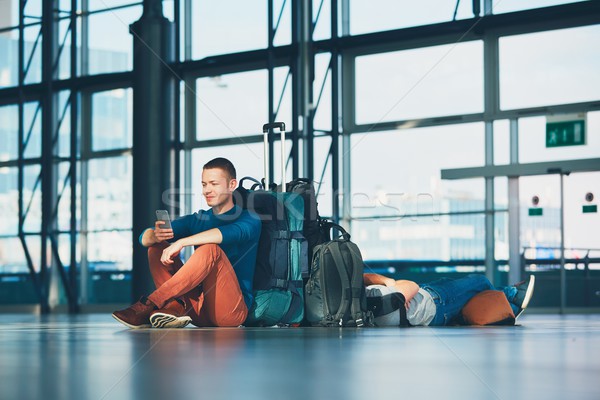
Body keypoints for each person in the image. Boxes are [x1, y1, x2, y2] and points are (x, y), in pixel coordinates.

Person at [112, 157, 262, 329]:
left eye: (214, 184)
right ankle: (175, 306)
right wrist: (155, 235)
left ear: (232, 185)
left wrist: (183, 242)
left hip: (230, 312)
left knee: (211, 250)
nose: (207, 190)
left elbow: (226, 234)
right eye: (204, 184)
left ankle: (152, 303)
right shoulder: (198, 219)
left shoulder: (250, 218)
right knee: (156, 248)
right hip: (197, 310)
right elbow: (143, 238)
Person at [363, 273, 536, 326]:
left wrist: (388, 284)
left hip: (429, 304)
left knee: (467, 300)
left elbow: (365, 276)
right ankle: (512, 293)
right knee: (480, 282)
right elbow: (411, 286)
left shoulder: (359, 309)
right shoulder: (375, 298)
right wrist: (390, 282)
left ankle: (511, 309)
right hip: (437, 301)